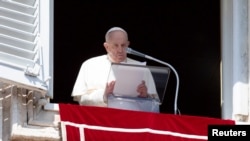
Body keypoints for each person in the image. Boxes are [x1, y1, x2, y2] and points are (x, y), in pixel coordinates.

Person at [71, 27, 158, 107]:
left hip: (132, 120)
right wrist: (104, 95)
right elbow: (81, 100)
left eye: (123, 45)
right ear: (107, 47)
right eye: (115, 45)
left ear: (128, 44)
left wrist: (145, 96)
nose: (120, 50)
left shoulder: (141, 68)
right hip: (100, 119)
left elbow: (155, 105)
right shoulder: (89, 65)